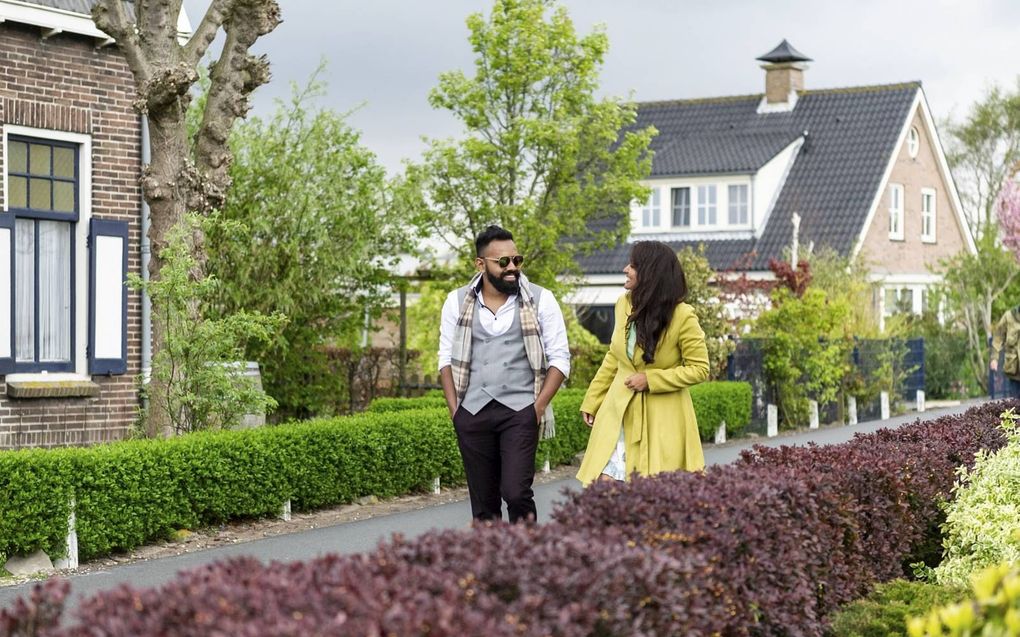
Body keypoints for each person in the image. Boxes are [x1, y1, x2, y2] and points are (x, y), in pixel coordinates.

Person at [438, 225, 570, 522]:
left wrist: (537, 408)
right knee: (484, 506)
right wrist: (455, 412)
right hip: (471, 412)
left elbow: (560, 358)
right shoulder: (456, 302)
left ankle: (525, 561)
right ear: (480, 264)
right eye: (503, 262)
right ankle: (490, 567)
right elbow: (445, 358)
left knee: (516, 492)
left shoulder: (541, 299)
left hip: (520, 411)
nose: (513, 268)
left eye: (517, 260)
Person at [576, 240, 709, 486]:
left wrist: (651, 379)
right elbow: (614, 356)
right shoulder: (622, 304)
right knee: (604, 485)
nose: (626, 269)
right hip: (619, 413)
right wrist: (593, 399)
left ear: (650, 273)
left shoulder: (683, 316)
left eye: (633, 265)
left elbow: (700, 369)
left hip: (663, 420)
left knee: (653, 494)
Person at [990, 305, 1020, 398]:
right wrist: (994, 358)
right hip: (1014, 371)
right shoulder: (1008, 317)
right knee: (1015, 406)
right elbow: (998, 338)